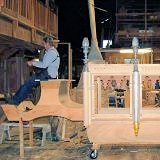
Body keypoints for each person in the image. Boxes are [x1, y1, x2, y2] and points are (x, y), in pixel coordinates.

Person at [5, 36, 60, 105]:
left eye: (44, 43)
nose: (43, 45)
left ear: (47, 43)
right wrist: (35, 61)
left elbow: (44, 65)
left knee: (28, 83)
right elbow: (46, 63)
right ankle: (16, 98)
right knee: (29, 83)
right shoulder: (53, 51)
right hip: (48, 75)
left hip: (47, 76)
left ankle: (15, 100)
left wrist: (32, 63)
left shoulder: (51, 53)